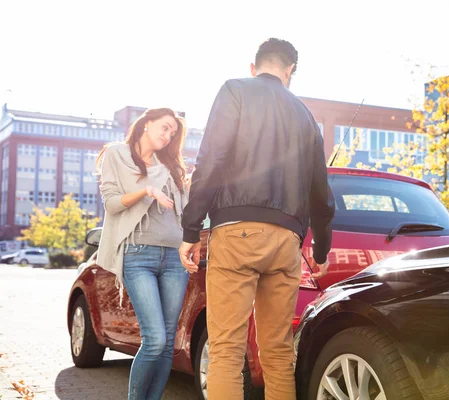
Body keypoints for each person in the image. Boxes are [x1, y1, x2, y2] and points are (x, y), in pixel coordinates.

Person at [179, 38, 335, 400]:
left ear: (254, 67)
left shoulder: (235, 90)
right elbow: (321, 193)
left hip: (236, 233)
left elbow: (211, 159)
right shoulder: (306, 116)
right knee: (279, 351)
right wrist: (321, 251)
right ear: (289, 70)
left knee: (226, 350)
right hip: (286, 243)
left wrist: (190, 228)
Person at [96, 107, 191, 400]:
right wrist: (146, 191)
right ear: (146, 124)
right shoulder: (117, 154)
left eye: (172, 133)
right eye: (164, 128)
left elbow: (185, 213)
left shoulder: (171, 165)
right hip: (139, 255)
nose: (167, 136)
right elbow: (112, 204)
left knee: (166, 344)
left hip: (175, 259)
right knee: (154, 339)